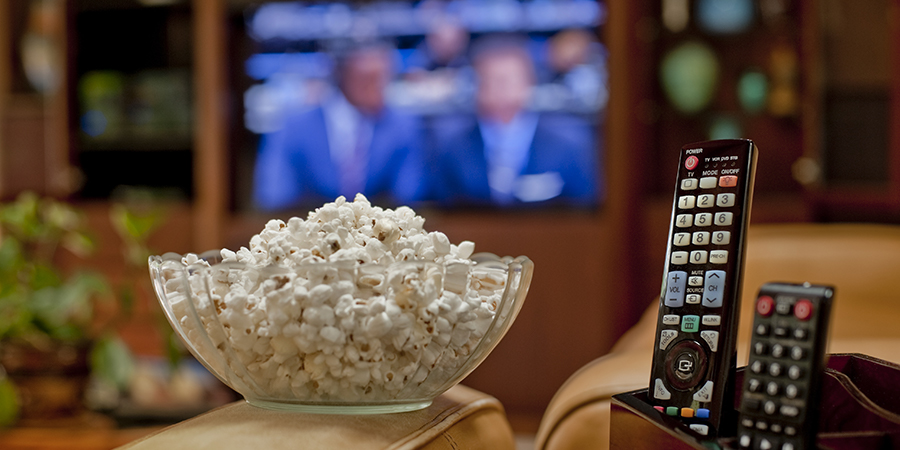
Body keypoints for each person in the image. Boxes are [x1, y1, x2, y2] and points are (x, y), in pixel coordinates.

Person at [430, 36, 601, 207]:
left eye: (508, 80)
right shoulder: (452, 146)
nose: (500, 90)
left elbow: (585, 214)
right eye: (491, 80)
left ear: (529, 82)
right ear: (476, 86)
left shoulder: (568, 145)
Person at [253, 44, 425, 210]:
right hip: (312, 231)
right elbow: (274, 196)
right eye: (368, 80)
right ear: (342, 75)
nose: (378, 89)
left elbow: (411, 195)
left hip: (379, 232)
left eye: (384, 79)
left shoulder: (403, 125)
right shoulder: (294, 126)